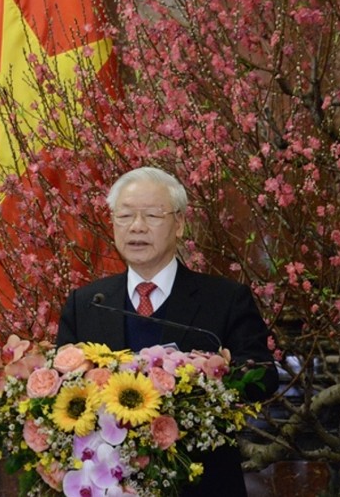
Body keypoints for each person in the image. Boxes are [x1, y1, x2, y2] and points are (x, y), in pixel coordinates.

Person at [56, 166, 279, 496]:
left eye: (152, 216)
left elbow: (264, 377)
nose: (137, 227)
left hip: (200, 484)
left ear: (179, 223)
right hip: (110, 486)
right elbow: (62, 388)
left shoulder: (225, 299)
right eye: (125, 215)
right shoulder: (89, 302)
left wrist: (214, 380)